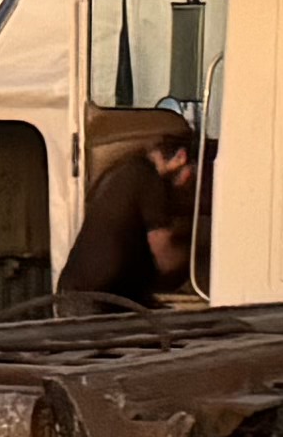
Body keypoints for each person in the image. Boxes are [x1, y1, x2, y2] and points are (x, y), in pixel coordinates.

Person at [56, 117, 203, 304]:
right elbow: (165, 257)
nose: (188, 184)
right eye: (191, 173)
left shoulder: (127, 168)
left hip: (80, 292)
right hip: (95, 301)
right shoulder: (149, 180)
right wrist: (199, 258)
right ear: (181, 157)